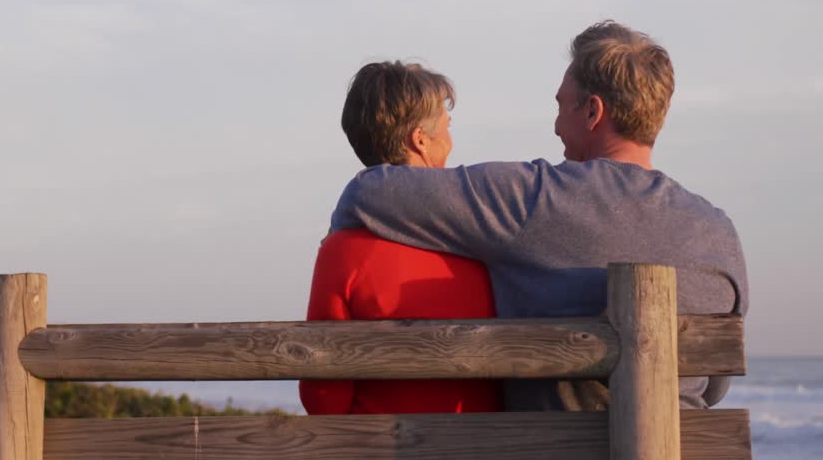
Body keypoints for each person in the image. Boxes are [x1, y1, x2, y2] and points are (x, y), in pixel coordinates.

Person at [330, 21, 748, 411]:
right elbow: (714, 385)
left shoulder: (535, 199)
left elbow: (370, 191)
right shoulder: (719, 234)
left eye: (561, 105)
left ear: (592, 112)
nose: (554, 126)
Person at [300, 61, 502, 415]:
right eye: (447, 126)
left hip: (375, 446)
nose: (451, 141)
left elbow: (323, 396)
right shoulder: (484, 237)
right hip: (484, 442)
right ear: (420, 140)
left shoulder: (341, 251)